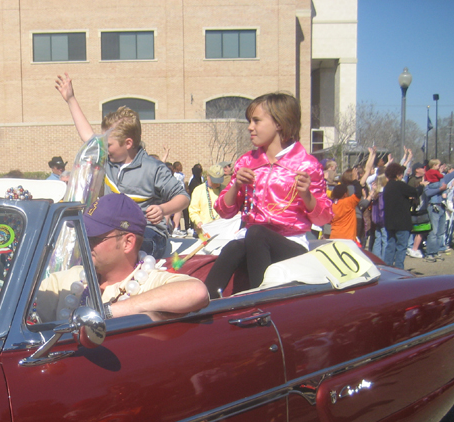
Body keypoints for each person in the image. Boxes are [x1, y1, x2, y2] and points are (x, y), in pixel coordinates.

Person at [204, 92, 331, 299]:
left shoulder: (307, 165)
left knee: (256, 233)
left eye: (256, 121)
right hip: (251, 241)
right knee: (234, 246)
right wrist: (236, 186)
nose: (249, 127)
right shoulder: (246, 162)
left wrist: (307, 196)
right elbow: (224, 211)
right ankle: (202, 303)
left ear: (279, 123)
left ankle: (261, 302)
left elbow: (324, 218)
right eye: (249, 121)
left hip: (291, 242)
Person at [55, 73, 190, 259]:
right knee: (85, 246)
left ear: (128, 143)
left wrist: (163, 209)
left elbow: (183, 198)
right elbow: (87, 136)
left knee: (122, 250)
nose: (104, 147)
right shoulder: (107, 160)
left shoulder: (153, 168)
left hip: (148, 233)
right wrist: (70, 99)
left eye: (108, 144)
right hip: (114, 233)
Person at [35, 193, 208, 322]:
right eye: (83, 236)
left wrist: (108, 312)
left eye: (94, 237)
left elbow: (196, 291)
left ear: (127, 243)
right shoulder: (64, 281)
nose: (85, 243)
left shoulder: (151, 281)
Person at [382, 162, 418, 270]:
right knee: (401, 247)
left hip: (390, 221)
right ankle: (399, 270)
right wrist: (422, 186)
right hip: (402, 221)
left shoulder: (387, 187)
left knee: (390, 246)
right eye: (401, 173)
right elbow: (414, 192)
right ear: (397, 174)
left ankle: (387, 269)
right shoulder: (400, 185)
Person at [188, 163, 224, 229]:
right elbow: (193, 210)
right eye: (215, 181)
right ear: (208, 177)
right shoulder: (198, 190)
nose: (217, 184)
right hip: (204, 229)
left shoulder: (225, 190)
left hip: (222, 228)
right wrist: (198, 221)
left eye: (219, 181)